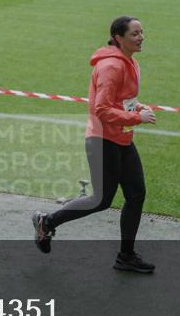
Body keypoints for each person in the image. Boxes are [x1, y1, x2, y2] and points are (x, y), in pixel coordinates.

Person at [32, 16, 157, 273]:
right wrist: (137, 118)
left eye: (141, 32)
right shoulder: (111, 67)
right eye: (135, 34)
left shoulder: (130, 62)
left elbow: (121, 99)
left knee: (136, 194)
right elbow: (101, 109)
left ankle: (126, 256)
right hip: (103, 141)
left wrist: (137, 107)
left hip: (121, 138)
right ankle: (47, 222)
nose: (141, 37)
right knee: (101, 200)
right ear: (118, 37)